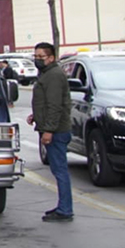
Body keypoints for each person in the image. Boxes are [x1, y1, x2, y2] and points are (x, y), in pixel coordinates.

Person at [27, 42, 73, 222]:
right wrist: (36, 116)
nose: (37, 60)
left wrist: (49, 130)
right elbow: (46, 103)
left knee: (60, 170)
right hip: (51, 127)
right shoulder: (47, 74)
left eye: (41, 57)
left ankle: (65, 209)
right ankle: (63, 207)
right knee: (58, 169)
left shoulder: (53, 76)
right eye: (35, 56)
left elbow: (55, 106)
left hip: (57, 131)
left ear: (51, 58)